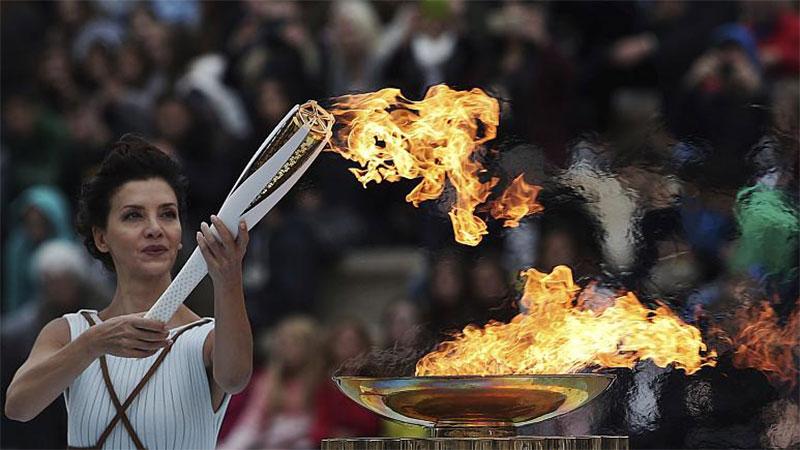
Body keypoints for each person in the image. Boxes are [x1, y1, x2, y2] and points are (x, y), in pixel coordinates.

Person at [4, 135, 253, 449]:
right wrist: (95, 342)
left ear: (179, 237)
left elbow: (236, 378)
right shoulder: (69, 332)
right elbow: (18, 405)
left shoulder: (207, 338)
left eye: (167, 214)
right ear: (101, 238)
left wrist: (229, 280)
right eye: (133, 215)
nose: (154, 228)